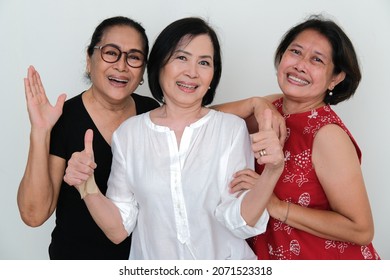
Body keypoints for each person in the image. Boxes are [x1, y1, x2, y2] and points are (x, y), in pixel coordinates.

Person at [64, 16, 285, 260]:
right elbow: (118, 229)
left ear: (213, 75)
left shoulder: (231, 129)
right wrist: (88, 188)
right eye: (181, 58)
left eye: (204, 62)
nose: (192, 72)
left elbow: (239, 221)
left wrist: (272, 171)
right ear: (159, 65)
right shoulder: (129, 134)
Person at [231, 15, 380, 259]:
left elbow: (361, 229)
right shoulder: (270, 107)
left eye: (316, 60)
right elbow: (199, 118)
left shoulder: (328, 135)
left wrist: (276, 205)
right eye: (296, 52)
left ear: (335, 78)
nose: (300, 65)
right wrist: (253, 102)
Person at [17, 16, 160, 259]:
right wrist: (40, 131)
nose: (122, 66)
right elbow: (34, 215)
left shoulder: (151, 112)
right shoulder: (65, 118)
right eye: (111, 53)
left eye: (134, 57)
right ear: (89, 59)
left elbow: (198, 118)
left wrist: (249, 105)